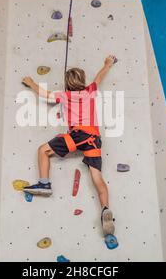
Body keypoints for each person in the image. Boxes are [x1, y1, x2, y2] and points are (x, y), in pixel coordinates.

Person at [21, 55, 117, 236]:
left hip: (79, 134)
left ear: (67, 85)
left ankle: (44, 184)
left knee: (43, 150)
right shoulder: (90, 91)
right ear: (82, 81)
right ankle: (105, 209)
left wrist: (31, 82)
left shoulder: (64, 96)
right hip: (94, 139)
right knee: (97, 178)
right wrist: (107, 64)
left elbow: (45, 95)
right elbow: (99, 77)